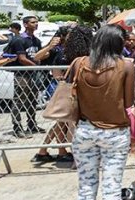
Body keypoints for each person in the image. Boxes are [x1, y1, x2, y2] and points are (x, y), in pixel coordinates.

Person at [71, 24, 135, 200]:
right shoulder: (126, 66)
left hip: (85, 131)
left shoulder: (80, 64)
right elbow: (129, 101)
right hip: (114, 132)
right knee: (111, 190)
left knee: (86, 189)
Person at [34, 25, 92, 164]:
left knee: (62, 121)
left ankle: (46, 150)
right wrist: (50, 46)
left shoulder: (74, 51)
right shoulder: (59, 51)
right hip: (63, 88)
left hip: (65, 87)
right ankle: (56, 151)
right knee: (62, 121)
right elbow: (40, 59)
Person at [8, 15, 60, 137]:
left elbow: (39, 55)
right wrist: (36, 66)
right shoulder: (19, 39)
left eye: (36, 22)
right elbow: (22, 59)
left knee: (32, 100)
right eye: (32, 22)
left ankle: (32, 124)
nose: (36, 24)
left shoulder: (35, 40)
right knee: (19, 100)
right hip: (22, 74)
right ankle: (17, 127)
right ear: (25, 24)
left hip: (33, 74)